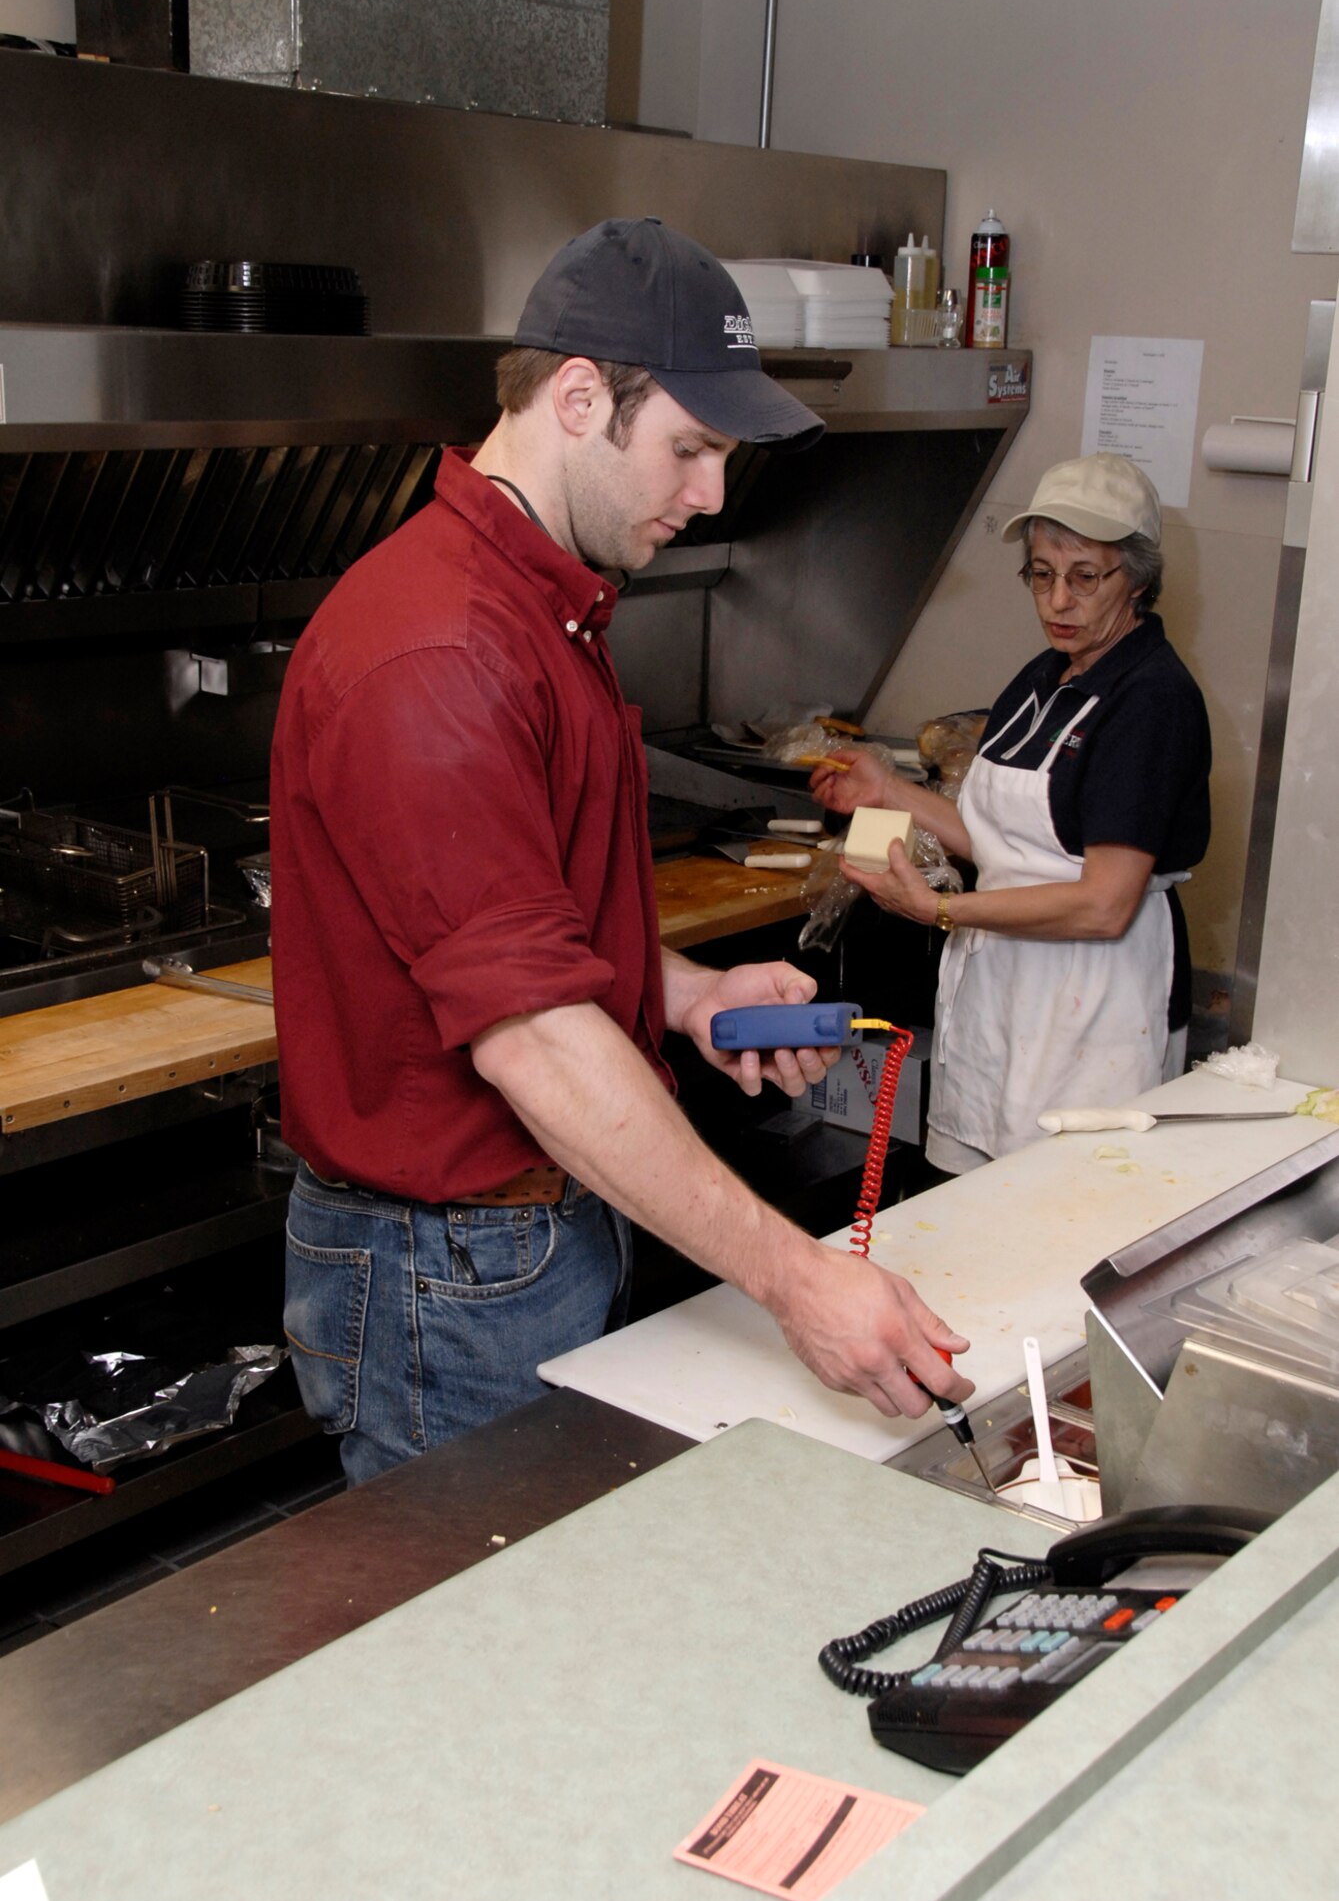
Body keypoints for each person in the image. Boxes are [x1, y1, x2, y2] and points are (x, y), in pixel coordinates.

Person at [269, 216, 973, 1484]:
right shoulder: (438, 648)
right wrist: (796, 1278)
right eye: (690, 448)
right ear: (579, 397)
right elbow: (533, 1033)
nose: (708, 493)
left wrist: (689, 996)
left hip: (534, 1231)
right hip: (450, 1270)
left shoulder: (551, 608)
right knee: (491, 1643)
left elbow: (529, 934)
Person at [810, 452, 1211, 1176]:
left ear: (1139, 579)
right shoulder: (1046, 675)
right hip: (1002, 997)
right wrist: (888, 788)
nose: (1057, 600)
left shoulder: (1149, 699)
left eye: (1085, 576)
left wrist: (937, 910)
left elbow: (1102, 905)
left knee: (1060, 1219)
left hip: (1091, 1008)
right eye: (1040, 572)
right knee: (969, 1210)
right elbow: (1002, 846)